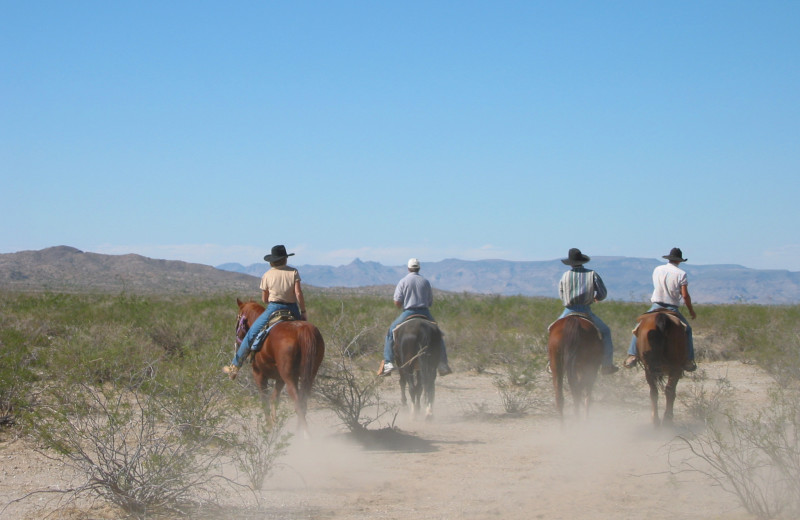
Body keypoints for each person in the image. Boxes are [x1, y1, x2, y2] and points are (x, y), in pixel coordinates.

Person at [223, 245, 307, 380]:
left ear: (272, 261)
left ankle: (234, 367)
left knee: (250, 335)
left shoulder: (267, 275)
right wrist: (303, 312)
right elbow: (298, 293)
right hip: (292, 309)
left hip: (274, 307)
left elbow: (264, 299)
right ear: (285, 259)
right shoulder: (293, 272)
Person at [624, 247, 697, 372]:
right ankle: (688, 360)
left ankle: (632, 355)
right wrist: (691, 310)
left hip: (656, 305)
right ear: (679, 261)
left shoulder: (657, 269)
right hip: (671, 307)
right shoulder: (681, 274)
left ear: (669, 258)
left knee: (639, 327)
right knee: (688, 330)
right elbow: (684, 295)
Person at [379, 258, 452, 376]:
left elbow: (397, 302)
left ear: (408, 268)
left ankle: (388, 362)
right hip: (425, 312)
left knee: (390, 332)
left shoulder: (403, 281)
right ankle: (442, 364)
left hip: (408, 312)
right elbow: (430, 302)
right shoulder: (425, 282)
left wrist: (403, 303)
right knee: (438, 334)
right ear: (419, 268)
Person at [556, 248, 619, 374]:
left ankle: (552, 362)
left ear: (571, 263)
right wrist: (596, 297)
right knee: (606, 332)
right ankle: (607, 365)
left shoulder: (565, 275)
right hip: (585, 310)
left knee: (552, 331)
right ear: (582, 261)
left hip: (569, 309)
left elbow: (561, 293)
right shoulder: (592, 274)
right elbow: (602, 293)